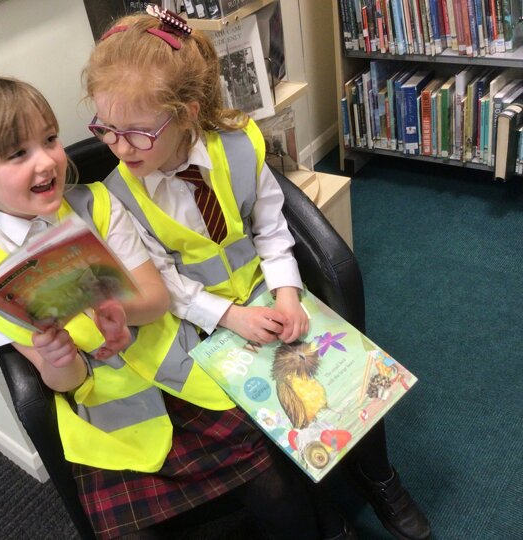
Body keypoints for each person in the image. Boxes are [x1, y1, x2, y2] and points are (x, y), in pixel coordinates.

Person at [0, 73, 339, 540]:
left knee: (273, 485)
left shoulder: (98, 203)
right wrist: (57, 357)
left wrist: (117, 309)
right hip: (113, 419)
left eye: (49, 139)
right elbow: (64, 381)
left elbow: (155, 298)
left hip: (180, 371)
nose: (46, 161)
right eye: (17, 154)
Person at [82, 8, 431, 540]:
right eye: (105, 128)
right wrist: (229, 316)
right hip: (201, 321)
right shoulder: (118, 196)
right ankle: (322, 509)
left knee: (352, 379)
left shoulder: (239, 144)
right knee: (275, 410)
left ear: (187, 114)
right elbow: (164, 282)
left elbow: (270, 227)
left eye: (137, 133)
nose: (119, 146)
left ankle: (376, 475)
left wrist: (287, 292)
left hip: (267, 289)